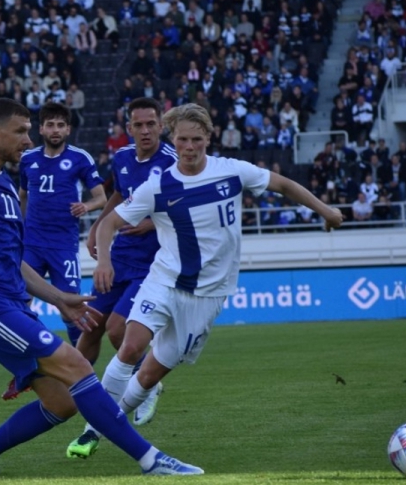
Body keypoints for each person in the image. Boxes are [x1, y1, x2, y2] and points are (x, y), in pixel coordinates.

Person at [0, 98, 203, 477]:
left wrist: (59, 298)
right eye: (20, 131)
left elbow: (16, 261)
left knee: (62, 402)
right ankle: (151, 460)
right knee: (78, 364)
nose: (28, 139)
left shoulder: (5, 185)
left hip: (13, 303)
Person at [87, 104, 343, 456]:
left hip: (207, 295)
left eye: (196, 140)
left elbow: (283, 184)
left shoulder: (232, 172)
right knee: (129, 346)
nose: (189, 147)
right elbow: (111, 222)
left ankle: (112, 418)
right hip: (164, 279)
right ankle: (92, 430)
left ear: (208, 138)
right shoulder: (158, 185)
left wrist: (326, 211)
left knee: (147, 377)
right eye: (182, 140)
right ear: (172, 140)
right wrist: (104, 261)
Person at [67, 98, 178, 460]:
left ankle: (149, 383)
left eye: (151, 124)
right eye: (138, 125)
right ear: (128, 128)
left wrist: (150, 222)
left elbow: (186, 207)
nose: (145, 131)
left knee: (118, 330)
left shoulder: (175, 163)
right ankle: (81, 396)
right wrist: (100, 224)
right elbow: (118, 193)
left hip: (152, 263)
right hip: (120, 259)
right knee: (89, 327)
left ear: (161, 125)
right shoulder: (124, 158)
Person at [1, 103, 106, 401]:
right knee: (19, 304)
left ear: (68, 129)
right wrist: (16, 230)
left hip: (62, 245)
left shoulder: (79, 159)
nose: (55, 130)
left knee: (71, 312)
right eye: (50, 125)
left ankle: (82, 370)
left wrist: (86, 206)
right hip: (31, 244)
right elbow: (22, 196)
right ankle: (26, 371)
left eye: (61, 125)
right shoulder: (28, 159)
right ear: (41, 128)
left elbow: (102, 197)